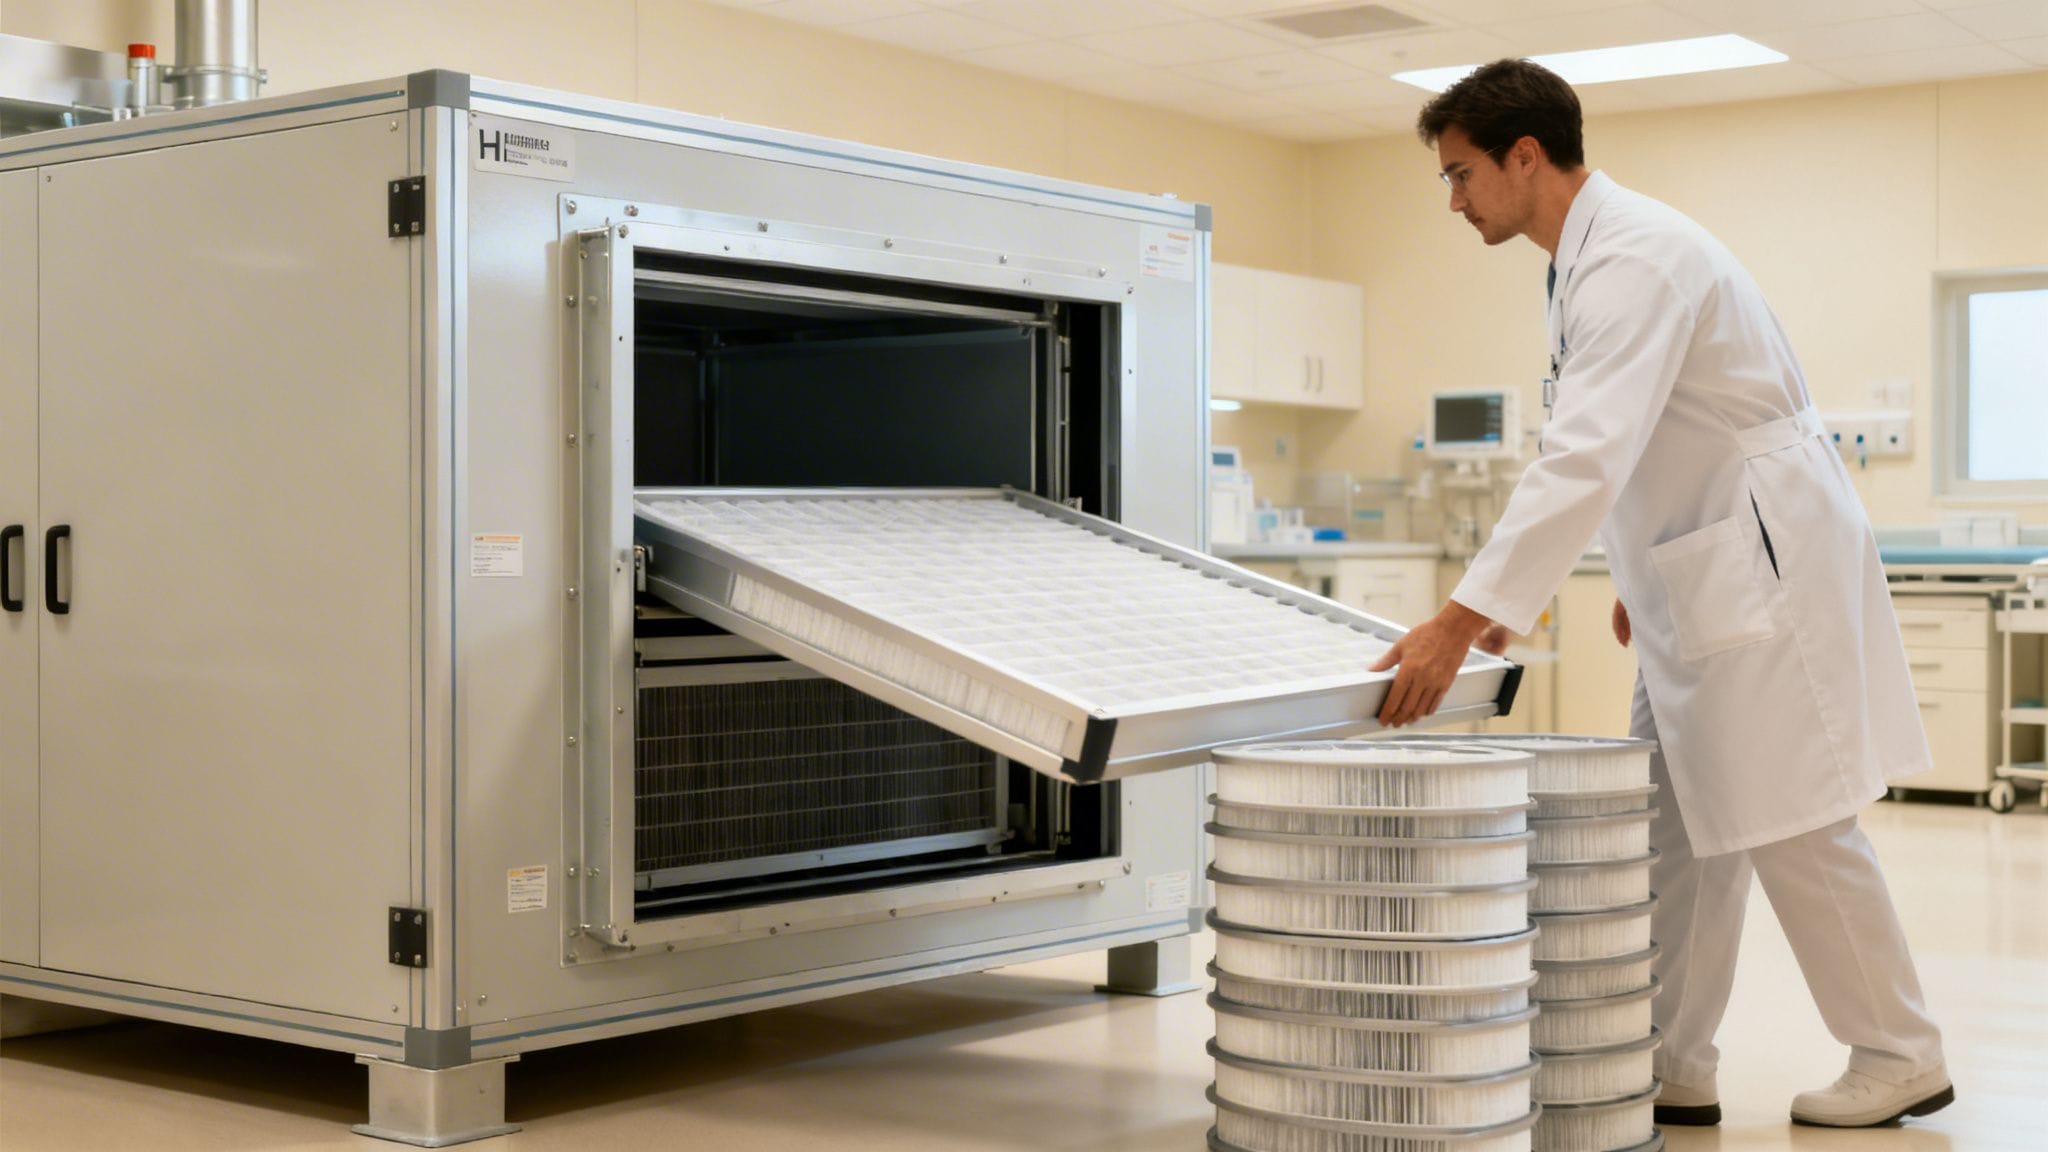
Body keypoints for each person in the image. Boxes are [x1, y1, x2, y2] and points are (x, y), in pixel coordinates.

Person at [1369, 59, 1952, 1129]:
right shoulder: (1585, 261)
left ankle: (1895, 1049)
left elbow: (1583, 452)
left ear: (1525, 157)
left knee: (1788, 817)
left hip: (1751, 563)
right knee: (1674, 819)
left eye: (1458, 176)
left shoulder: (1633, 258)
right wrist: (1641, 568)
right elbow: (1639, 438)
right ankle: (1670, 1057)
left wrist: (1462, 619)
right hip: (1705, 564)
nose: (1451, 202)